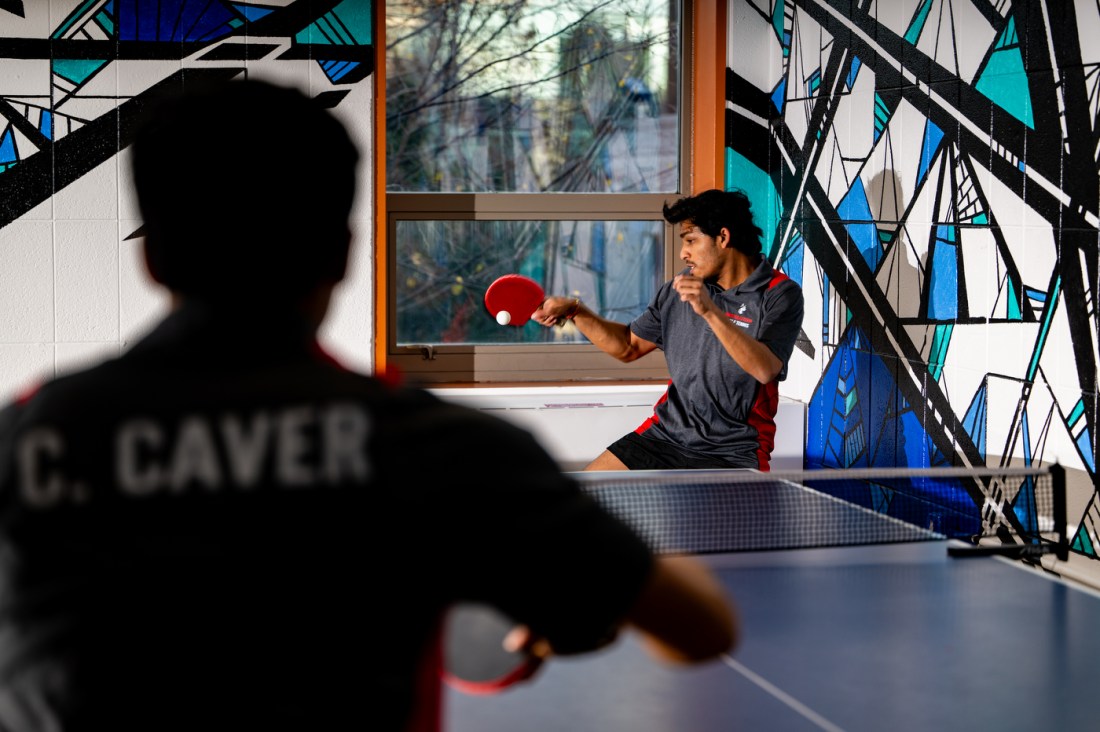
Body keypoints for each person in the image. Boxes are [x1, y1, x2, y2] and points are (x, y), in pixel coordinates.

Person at [0, 78, 737, 732]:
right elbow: (702, 630)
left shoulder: (29, 434)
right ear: (344, 252)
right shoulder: (443, 449)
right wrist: (583, 604)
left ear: (151, 255)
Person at [534, 189, 804, 471]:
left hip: (732, 451)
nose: (683, 253)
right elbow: (628, 346)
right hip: (664, 437)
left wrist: (710, 311)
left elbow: (765, 369)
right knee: (583, 491)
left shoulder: (779, 294)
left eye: (691, 240)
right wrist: (575, 311)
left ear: (723, 237)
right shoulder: (681, 287)